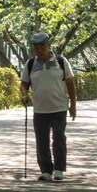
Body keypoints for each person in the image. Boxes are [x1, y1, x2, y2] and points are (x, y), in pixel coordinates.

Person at [20, 32, 77, 181]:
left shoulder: (61, 61)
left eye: (42, 46)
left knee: (59, 137)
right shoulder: (31, 64)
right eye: (36, 47)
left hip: (59, 106)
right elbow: (23, 84)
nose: (39, 50)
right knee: (42, 140)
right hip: (40, 108)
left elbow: (70, 83)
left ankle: (58, 169)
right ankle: (46, 170)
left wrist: (73, 105)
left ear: (48, 46)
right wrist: (24, 95)